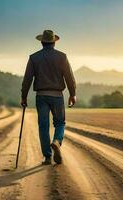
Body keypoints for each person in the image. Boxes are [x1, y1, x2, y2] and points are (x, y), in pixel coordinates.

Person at [21, 30, 76, 165]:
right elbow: (69, 77)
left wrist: (24, 97)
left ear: (41, 42)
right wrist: (72, 94)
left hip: (41, 96)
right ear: (54, 42)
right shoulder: (62, 57)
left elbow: (27, 79)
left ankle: (47, 157)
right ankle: (57, 141)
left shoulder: (34, 57)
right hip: (57, 96)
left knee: (43, 126)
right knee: (60, 123)